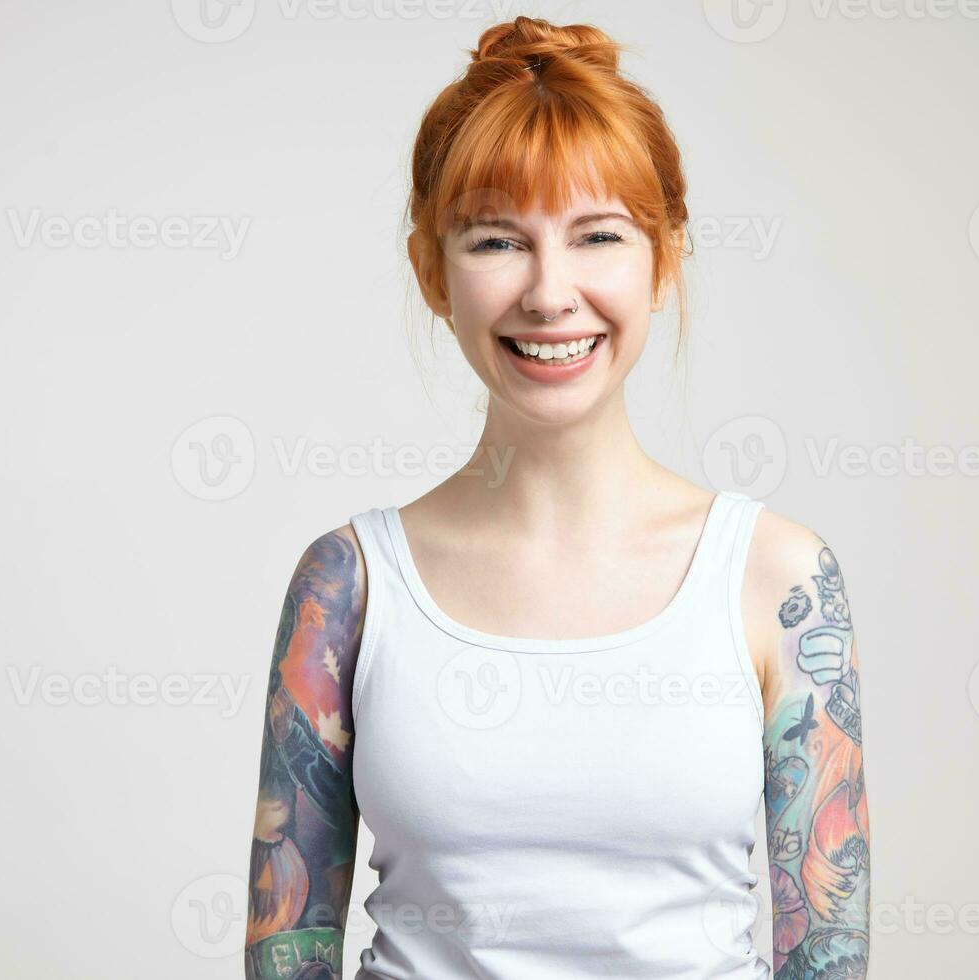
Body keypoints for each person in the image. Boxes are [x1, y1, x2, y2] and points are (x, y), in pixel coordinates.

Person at [244, 16, 871, 980]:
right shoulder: (349, 583)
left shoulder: (778, 578)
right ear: (432, 270)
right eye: (498, 239)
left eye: (598, 237)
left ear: (663, 260)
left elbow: (826, 957)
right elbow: (289, 950)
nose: (549, 294)